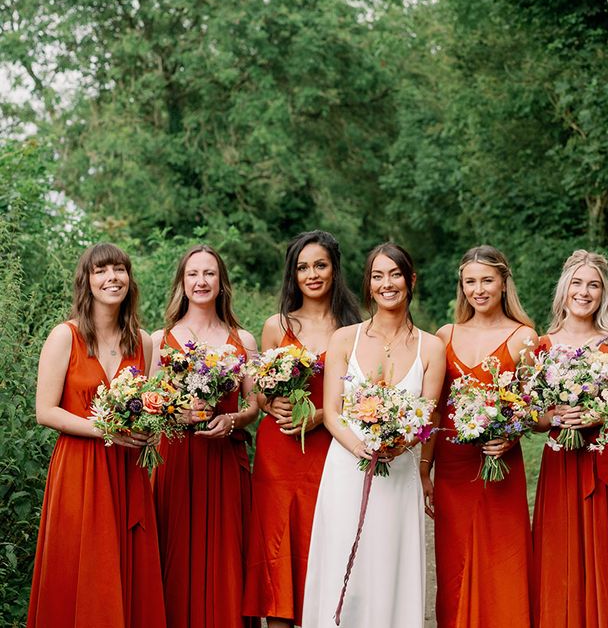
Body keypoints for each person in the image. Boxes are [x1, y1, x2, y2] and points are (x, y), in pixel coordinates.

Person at [302, 242, 445, 628]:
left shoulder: (432, 347)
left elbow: (427, 415)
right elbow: (331, 411)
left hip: (399, 474)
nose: (387, 284)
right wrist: (361, 449)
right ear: (368, 285)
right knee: (343, 560)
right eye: (378, 276)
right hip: (347, 468)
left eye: (395, 275)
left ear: (410, 280)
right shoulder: (344, 339)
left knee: (388, 563)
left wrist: (400, 445)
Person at [27, 242, 166, 628]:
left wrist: (150, 430)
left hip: (127, 472)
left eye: (119, 269)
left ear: (129, 279)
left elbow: (150, 408)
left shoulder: (144, 341)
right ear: (86, 281)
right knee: (80, 565)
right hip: (79, 470)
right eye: (101, 271)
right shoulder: (64, 336)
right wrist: (105, 429)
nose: (112, 278)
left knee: (125, 567)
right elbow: (45, 411)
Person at [243, 230, 361, 628]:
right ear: (292, 275)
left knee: (324, 542)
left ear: (334, 269)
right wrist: (268, 401)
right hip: (279, 454)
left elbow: (359, 397)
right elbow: (258, 392)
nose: (312, 275)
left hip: (329, 451)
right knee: (279, 547)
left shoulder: (354, 328)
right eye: (303, 267)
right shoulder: (277, 325)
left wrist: (320, 416)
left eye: (320, 265)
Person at [420, 245, 538, 627]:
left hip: (499, 462)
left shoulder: (524, 337)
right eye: (470, 281)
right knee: (455, 562)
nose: (479, 289)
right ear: (462, 286)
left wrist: (511, 436)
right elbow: (434, 409)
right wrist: (425, 469)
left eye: (487, 280)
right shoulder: (445, 335)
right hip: (454, 467)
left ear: (504, 283)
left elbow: (532, 406)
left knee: (503, 557)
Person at [531, 249, 608, 628]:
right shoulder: (541, 346)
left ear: (603, 293)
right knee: (563, 554)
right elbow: (530, 416)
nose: (584, 292)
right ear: (564, 288)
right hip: (562, 461)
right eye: (577, 283)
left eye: (593, 285)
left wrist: (600, 414)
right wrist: (552, 417)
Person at [150, 245, 258, 628]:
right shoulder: (159, 339)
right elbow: (150, 402)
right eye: (193, 274)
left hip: (225, 461)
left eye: (209, 274)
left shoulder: (242, 339)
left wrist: (233, 420)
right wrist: (172, 412)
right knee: (175, 554)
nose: (201, 281)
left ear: (221, 282)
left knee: (227, 555)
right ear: (182, 281)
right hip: (177, 460)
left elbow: (253, 405)